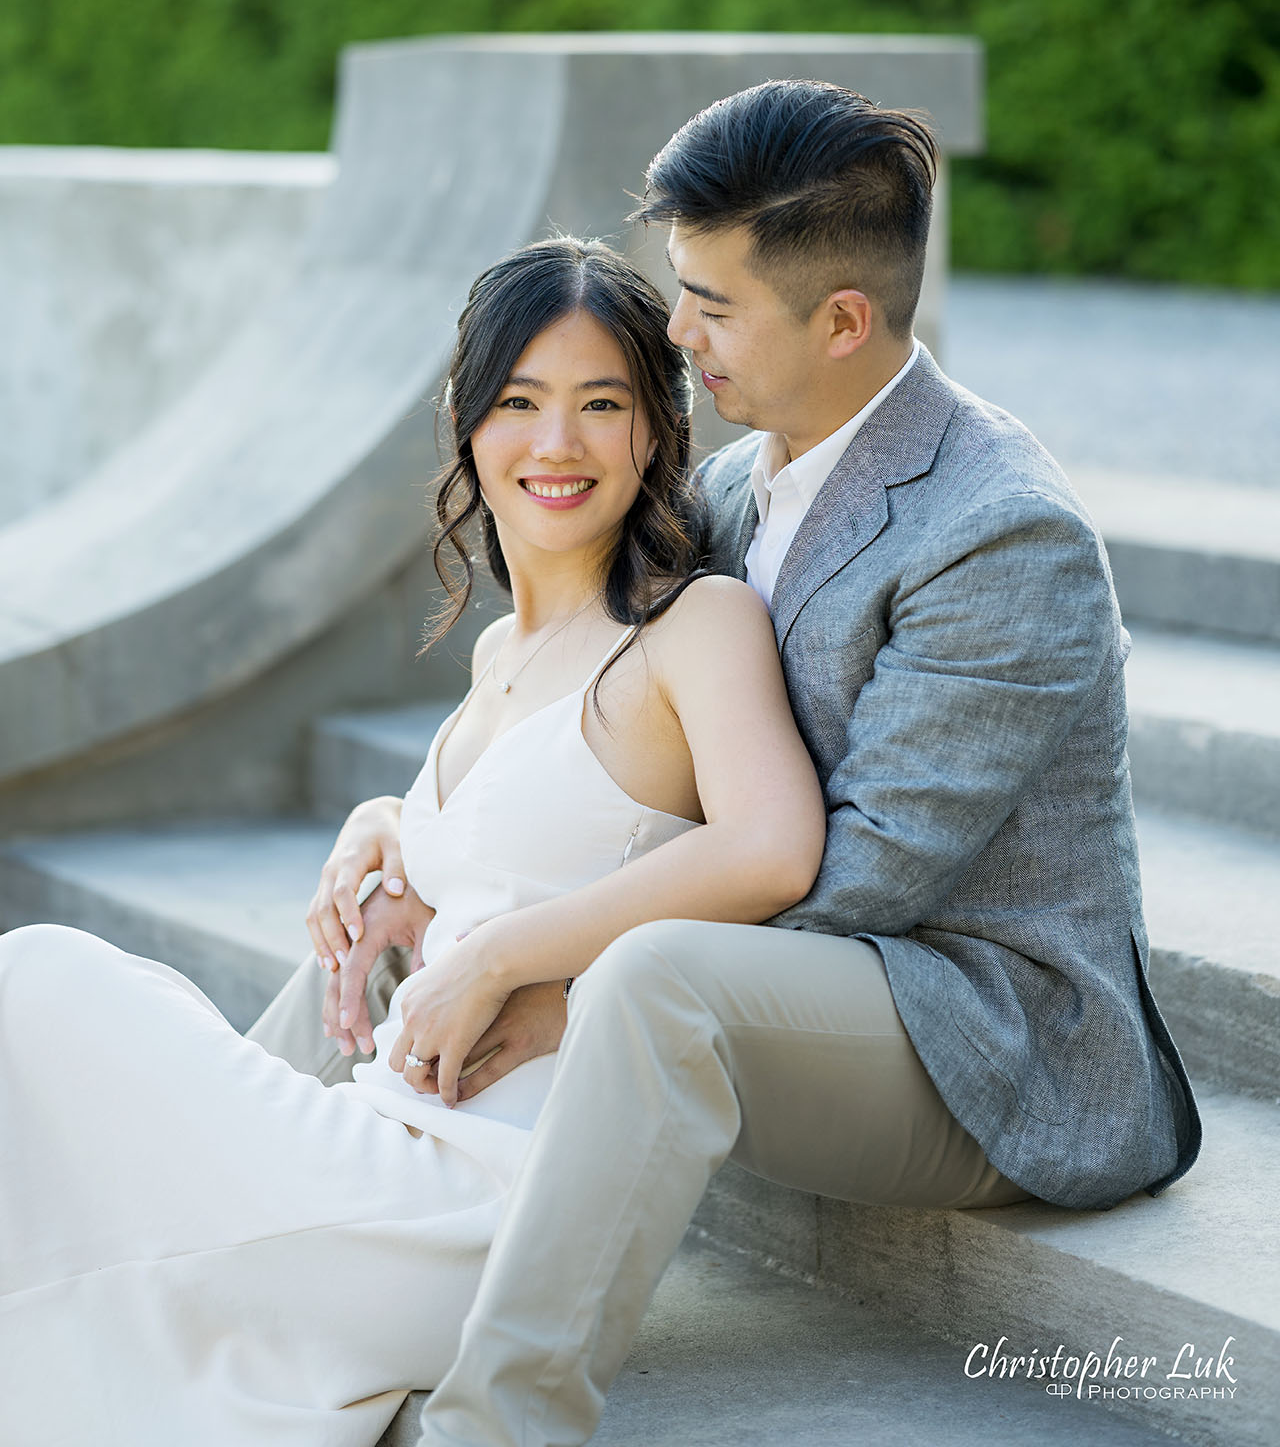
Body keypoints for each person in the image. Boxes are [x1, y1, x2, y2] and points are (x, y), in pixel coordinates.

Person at [257, 80, 1202, 1447]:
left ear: (843, 320)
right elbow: (579, 718)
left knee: (640, 972)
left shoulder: (1003, 534)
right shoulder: (744, 486)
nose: (676, 333)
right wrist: (398, 836)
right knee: (413, 932)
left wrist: (546, 973)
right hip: (795, 977)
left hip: (982, 1035)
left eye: (710, 302)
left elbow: (862, 873)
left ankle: (499, 1425)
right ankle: (239, 1217)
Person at [0, 238, 833, 1447]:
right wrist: (383, 825)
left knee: (45, 982)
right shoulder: (498, 658)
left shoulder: (691, 627)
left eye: (601, 404)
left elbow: (770, 849)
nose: (558, 444)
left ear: (656, 428)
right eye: (519, 404)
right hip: (379, 1135)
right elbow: (520, 836)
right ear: (464, 421)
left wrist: (499, 961)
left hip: (484, 1196)